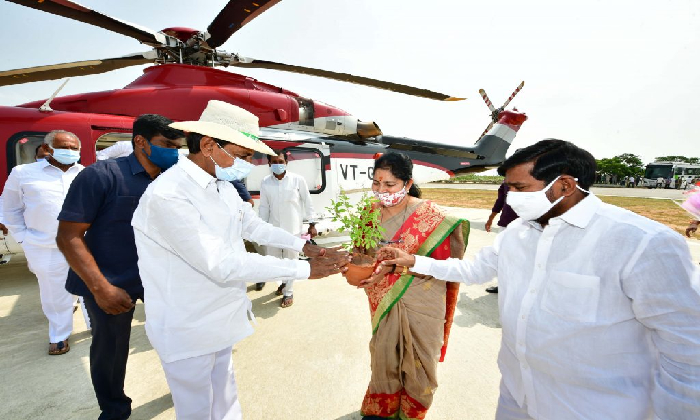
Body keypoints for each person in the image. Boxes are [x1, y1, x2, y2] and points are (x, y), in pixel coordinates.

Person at [373, 139, 700, 420]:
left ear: (565, 186)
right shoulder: (517, 232)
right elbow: (473, 271)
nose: (511, 197)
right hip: (517, 396)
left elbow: (686, 347)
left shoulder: (642, 243)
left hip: (594, 408)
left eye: (519, 188)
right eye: (508, 188)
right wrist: (413, 260)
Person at [131, 100, 349, 420]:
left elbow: (252, 226)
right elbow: (222, 263)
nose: (249, 163)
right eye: (244, 155)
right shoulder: (169, 195)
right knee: (197, 410)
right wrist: (302, 269)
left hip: (219, 316)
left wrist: (303, 246)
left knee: (226, 398)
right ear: (208, 145)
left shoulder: (222, 187)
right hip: (188, 325)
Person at [56, 115, 185, 420]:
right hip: (110, 282)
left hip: (161, 280)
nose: (174, 152)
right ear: (140, 141)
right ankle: (114, 410)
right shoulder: (102, 175)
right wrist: (101, 288)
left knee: (180, 339)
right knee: (111, 351)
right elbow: (68, 236)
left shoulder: (174, 180)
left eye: (177, 146)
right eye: (167, 145)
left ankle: (186, 390)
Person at [357, 152, 468, 420]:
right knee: (384, 354)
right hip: (383, 294)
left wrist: (408, 263)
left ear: (407, 184)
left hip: (423, 297)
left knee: (421, 360)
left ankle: (412, 412)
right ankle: (382, 409)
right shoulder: (369, 211)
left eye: (389, 185)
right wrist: (353, 265)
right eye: (376, 183)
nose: (381, 190)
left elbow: (448, 264)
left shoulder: (434, 217)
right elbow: (360, 251)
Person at [2, 130, 88, 355]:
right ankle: (59, 335)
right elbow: (9, 209)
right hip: (44, 246)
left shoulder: (86, 174)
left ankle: (97, 327)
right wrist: (24, 238)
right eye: (64, 147)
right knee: (53, 292)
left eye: (74, 148)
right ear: (48, 149)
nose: (70, 152)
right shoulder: (23, 173)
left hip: (84, 244)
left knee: (90, 287)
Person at [255, 150, 318, 307]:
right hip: (273, 230)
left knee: (291, 261)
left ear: (286, 162)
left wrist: (312, 223)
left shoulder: (297, 180)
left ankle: (288, 292)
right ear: (269, 163)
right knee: (275, 261)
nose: (278, 164)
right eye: (274, 161)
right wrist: (261, 228)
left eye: (281, 161)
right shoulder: (265, 182)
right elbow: (263, 206)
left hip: (293, 229)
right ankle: (283, 283)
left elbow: (307, 201)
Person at [483, 182, 518, 294]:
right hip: (506, 223)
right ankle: (503, 285)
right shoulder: (506, 182)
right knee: (502, 256)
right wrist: (490, 218)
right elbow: (500, 201)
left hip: (526, 225)